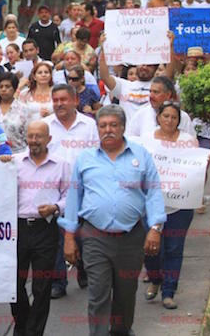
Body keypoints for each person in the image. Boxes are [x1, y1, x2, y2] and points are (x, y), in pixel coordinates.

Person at [60, 104, 166, 336]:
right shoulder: (85, 159)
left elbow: (154, 193)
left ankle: (121, 331)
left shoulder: (140, 155)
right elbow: (73, 198)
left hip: (131, 237)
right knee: (98, 293)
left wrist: (155, 227)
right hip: (94, 237)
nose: (108, 130)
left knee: (126, 294)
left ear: (123, 127)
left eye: (113, 125)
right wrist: (69, 236)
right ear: (97, 129)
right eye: (103, 125)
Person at [140, 101, 208, 310]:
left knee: (174, 249)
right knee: (150, 248)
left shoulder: (188, 141)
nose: (170, 120)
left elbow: (196, 172)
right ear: (158, 117)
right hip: (151, 203)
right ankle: (155, 278)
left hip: (180, 204)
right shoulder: (147, 141)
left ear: (179, 120)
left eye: (174, 117)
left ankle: (169, 292)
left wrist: (206, 163)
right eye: (166, 116)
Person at [11, 121, 70, 335]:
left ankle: (34, 331)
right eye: (31, 136)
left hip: (45, 229)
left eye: (39, 137)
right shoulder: (14, 162)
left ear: (49, 140)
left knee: (42, 285)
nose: (34, 141)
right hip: (17, 229)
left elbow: (69, 196)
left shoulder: (61, 165)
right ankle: (22, 322)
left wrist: (55, 207)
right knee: (14, 284)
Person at [43, 84, 99, 298]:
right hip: (54, 189)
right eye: (55, 100)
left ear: (75, 101)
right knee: (57, 236)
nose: (59, 104)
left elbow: (96, 154)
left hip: (84, 187)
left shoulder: (89, 126)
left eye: (63, 99)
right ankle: (58, 281)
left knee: (82, 234)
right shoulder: (45, 124)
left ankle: (83, 267)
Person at [98, 32, 175, 121]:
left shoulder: (160, 87)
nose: (144, 67)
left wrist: (170, 47)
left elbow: (170, 74)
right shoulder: (123, 85)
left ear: (155, 68)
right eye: (142, 64)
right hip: (127, 133)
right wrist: (104, 50)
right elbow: (104, 76)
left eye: (149, 65)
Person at [125, 76, 195, 138]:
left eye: (156, 92)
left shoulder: (183, 117)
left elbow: (192, 145)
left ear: (168, 94)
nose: (151, 96)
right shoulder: (141, 114)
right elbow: (130, 140)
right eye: (150, 92)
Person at [0, 72, 32, 154]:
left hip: (17, 154)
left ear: (14, 88)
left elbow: (28, 135)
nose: (3, 89)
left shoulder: (24, 109)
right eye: (1, 87)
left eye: (7, 86)